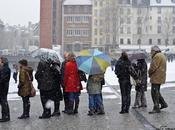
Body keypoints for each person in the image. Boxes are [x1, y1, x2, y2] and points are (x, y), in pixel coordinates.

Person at [148, 45, 168, 114]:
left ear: (154, 51)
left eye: (151, 51)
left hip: (156, 77)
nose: (151, 53)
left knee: (154, 93)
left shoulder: (157, 56)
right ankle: (163, 103)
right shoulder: (161, 55)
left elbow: (153, 67)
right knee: (157, 91)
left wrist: (149, 72)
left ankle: (156, 108)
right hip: (160, 76)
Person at [0, 57, 11, 122]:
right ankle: (4, 116)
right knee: (3, 102)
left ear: (3, 62)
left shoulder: (6, 69)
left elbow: (3, 79)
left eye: (0, 61)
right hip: (2, 88)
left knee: (4, 102)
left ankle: (6, 117)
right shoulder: (2, 68)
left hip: (3, 88)